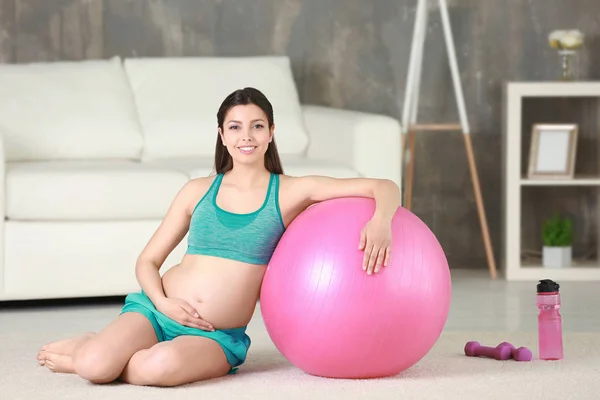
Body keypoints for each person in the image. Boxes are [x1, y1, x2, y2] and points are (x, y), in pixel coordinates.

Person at [36, 87, 401, 387]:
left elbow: (383, 185)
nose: (247, 136)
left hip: (215, 334)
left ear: (271, 133)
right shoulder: (196, 190)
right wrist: (163, 303)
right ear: (222, 135)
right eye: (236, 127)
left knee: (156, 370)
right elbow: (147, 262)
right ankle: (96, 350)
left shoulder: (290, 191)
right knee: (95, 368)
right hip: (156, 311)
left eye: (257, 126)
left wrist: (381, 220)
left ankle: (102, 351)